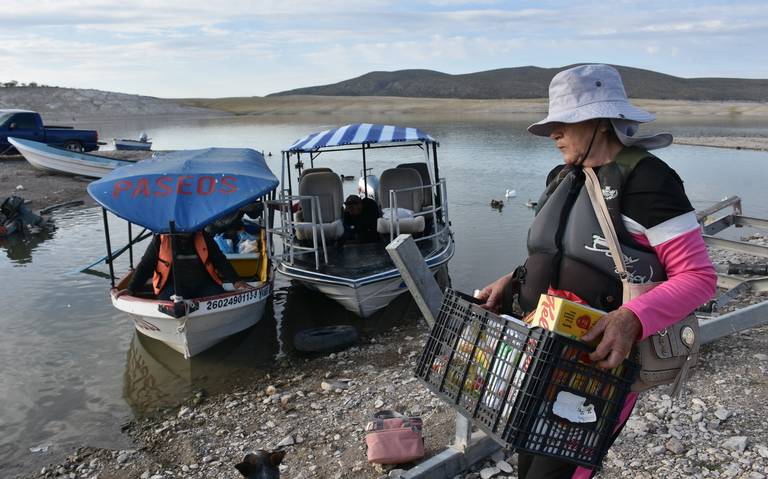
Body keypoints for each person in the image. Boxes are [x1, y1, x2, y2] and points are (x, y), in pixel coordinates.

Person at [476, 64, 717, 479]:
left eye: (565, 122)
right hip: (539, 353)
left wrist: (631, 318)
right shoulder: (564, 176)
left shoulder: (649, 181)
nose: (554, 133)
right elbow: (553, 254)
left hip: (599, 368)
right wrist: (510, 281)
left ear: (602, 121)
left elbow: (698, 278)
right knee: (528, 462)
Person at [119, 230, 250, 300]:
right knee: (166, 302)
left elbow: (220, 261)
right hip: (172, 287)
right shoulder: (160, 239)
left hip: (204, 285)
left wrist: (237, 281)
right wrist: (131, 288)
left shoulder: (204, 236)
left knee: (218, 299)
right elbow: (145, 266)